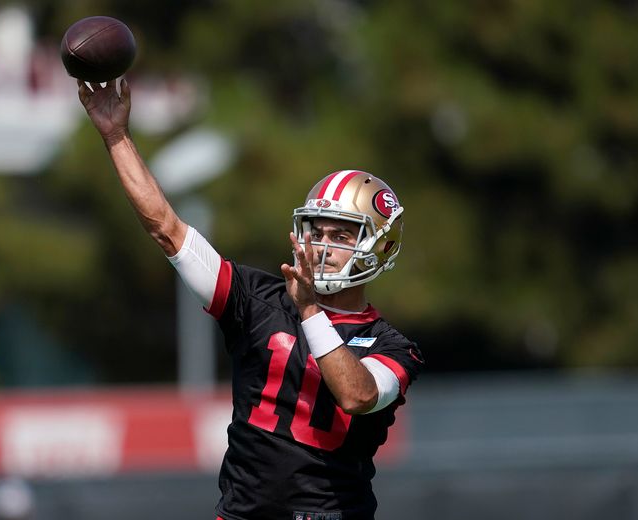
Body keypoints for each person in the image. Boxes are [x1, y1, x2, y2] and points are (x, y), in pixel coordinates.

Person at [77, 78, 424, 520]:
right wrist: (115, 135)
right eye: (316, 231)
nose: (321, 246)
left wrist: (310, 311)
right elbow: (167, 228)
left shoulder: (392, 346)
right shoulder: (258, 298)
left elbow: (357, 395)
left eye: (340, 235)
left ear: (381, 247)